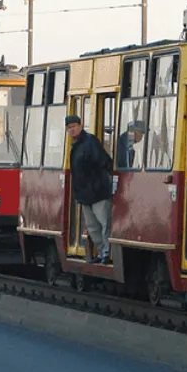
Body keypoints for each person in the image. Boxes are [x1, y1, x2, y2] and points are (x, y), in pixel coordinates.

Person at [65, 114, 114, 265]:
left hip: (98, 191)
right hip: (84, 194)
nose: (71, 130)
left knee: (104, 222)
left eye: (73, 127)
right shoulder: (76, 145)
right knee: (93, 227)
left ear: (80, 126)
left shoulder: (90, 141)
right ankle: (100, 252)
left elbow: (104, 162)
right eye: (69, 128)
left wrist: (99, 181)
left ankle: (106, 253)